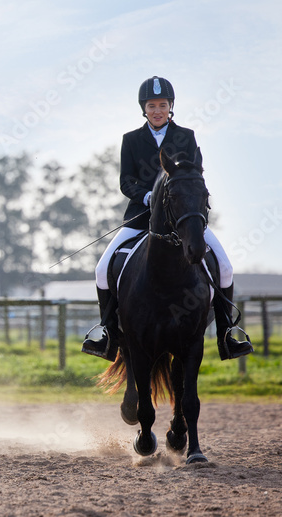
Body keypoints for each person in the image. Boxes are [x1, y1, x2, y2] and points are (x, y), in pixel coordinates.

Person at [82, 76, 253, 361]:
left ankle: (227, 334)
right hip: (141, 217)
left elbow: (195, 175)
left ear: (170, 106)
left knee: (225, 266)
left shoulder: (186, 136)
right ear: (144, 109)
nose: (157, 110)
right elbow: (126, 181)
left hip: (184, 219)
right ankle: (108, 333)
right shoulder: (131, 140)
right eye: (152, 105)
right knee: (102, 270)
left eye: (162, 105)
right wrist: (147, 197)